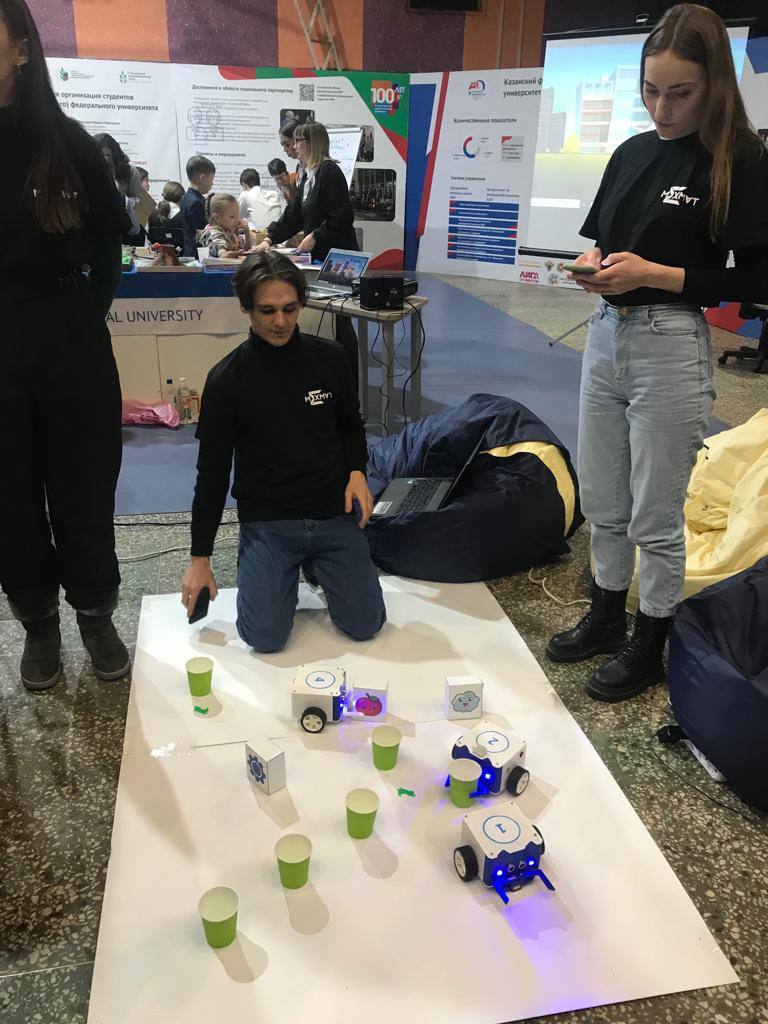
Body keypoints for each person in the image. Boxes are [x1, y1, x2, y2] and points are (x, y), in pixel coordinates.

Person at [546, 3, 768, 704]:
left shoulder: (740, 159)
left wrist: (657, 275)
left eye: (680, 93)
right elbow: (604, 242)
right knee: (603, 496)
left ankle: (650, 641)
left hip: (672, 346)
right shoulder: (632, 152)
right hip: (606, 335)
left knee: (657, 513)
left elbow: (757, 281)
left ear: (715, 85)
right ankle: (606, 615)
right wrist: (594, 266)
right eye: (650, 90)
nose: (662, 108)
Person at [0, 0, 131, 690]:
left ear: (21, 49)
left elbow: (108, 248)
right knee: (9, 501)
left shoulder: (69, 143)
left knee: (83, 487)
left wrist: (82, 318)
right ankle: (39, 623)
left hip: (67, 341)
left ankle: (95, 613)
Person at [181, 251, 385, 652]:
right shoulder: (226, 381)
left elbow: (350, 424)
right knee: (265, 638)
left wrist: (357, 472)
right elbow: (212, 474)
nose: (280, 321)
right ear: (246, 308)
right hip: (269, 521)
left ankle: (315, 567)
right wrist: (200, 559)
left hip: (332, 512)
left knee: (366, 624)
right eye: (268, 310)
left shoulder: (331, 359)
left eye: (290, 309)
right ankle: (279, 568)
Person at [257, 122, 360, 384]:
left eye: (298, 142)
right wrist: (269, 238)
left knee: (341, 320)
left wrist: (316, 235)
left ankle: (348, 381)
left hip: (340, 259)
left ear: (312, 143)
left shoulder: (329, 171)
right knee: (327, 319)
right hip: (320, 258)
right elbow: (294, 215)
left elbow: (343, 216)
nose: (294, 147)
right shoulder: (305, 174)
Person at [92, 132, 144, 241]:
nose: (103, 159)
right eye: (99, 155)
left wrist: (124, 201)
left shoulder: (129, 170)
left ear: (114, 154)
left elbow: (138, 199)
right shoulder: (91, 170)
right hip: (97, 226)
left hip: (124, 226)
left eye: (107, 155)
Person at [180, 154, 215, 257]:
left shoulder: (186, 197)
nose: (212, 183)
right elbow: (203, 233)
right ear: (203, 178)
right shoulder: (197, 203)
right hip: (199, 255)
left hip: (189, 251)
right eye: (212, 179)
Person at [199, 192, 251, 258]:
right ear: (217, 218)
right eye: (232, 217)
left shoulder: (230, 232)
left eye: (238, 216)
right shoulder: (213, 233)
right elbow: (223, 255)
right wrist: (241, 252)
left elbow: (247, 249)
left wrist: (247, 231)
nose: (237, 220)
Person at [237, 167, 281, 232]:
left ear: (244, 184)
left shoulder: (245, 195)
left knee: (248, 224)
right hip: (280, 234)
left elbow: (236, 217)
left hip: (260, 236)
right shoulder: (275, 194)